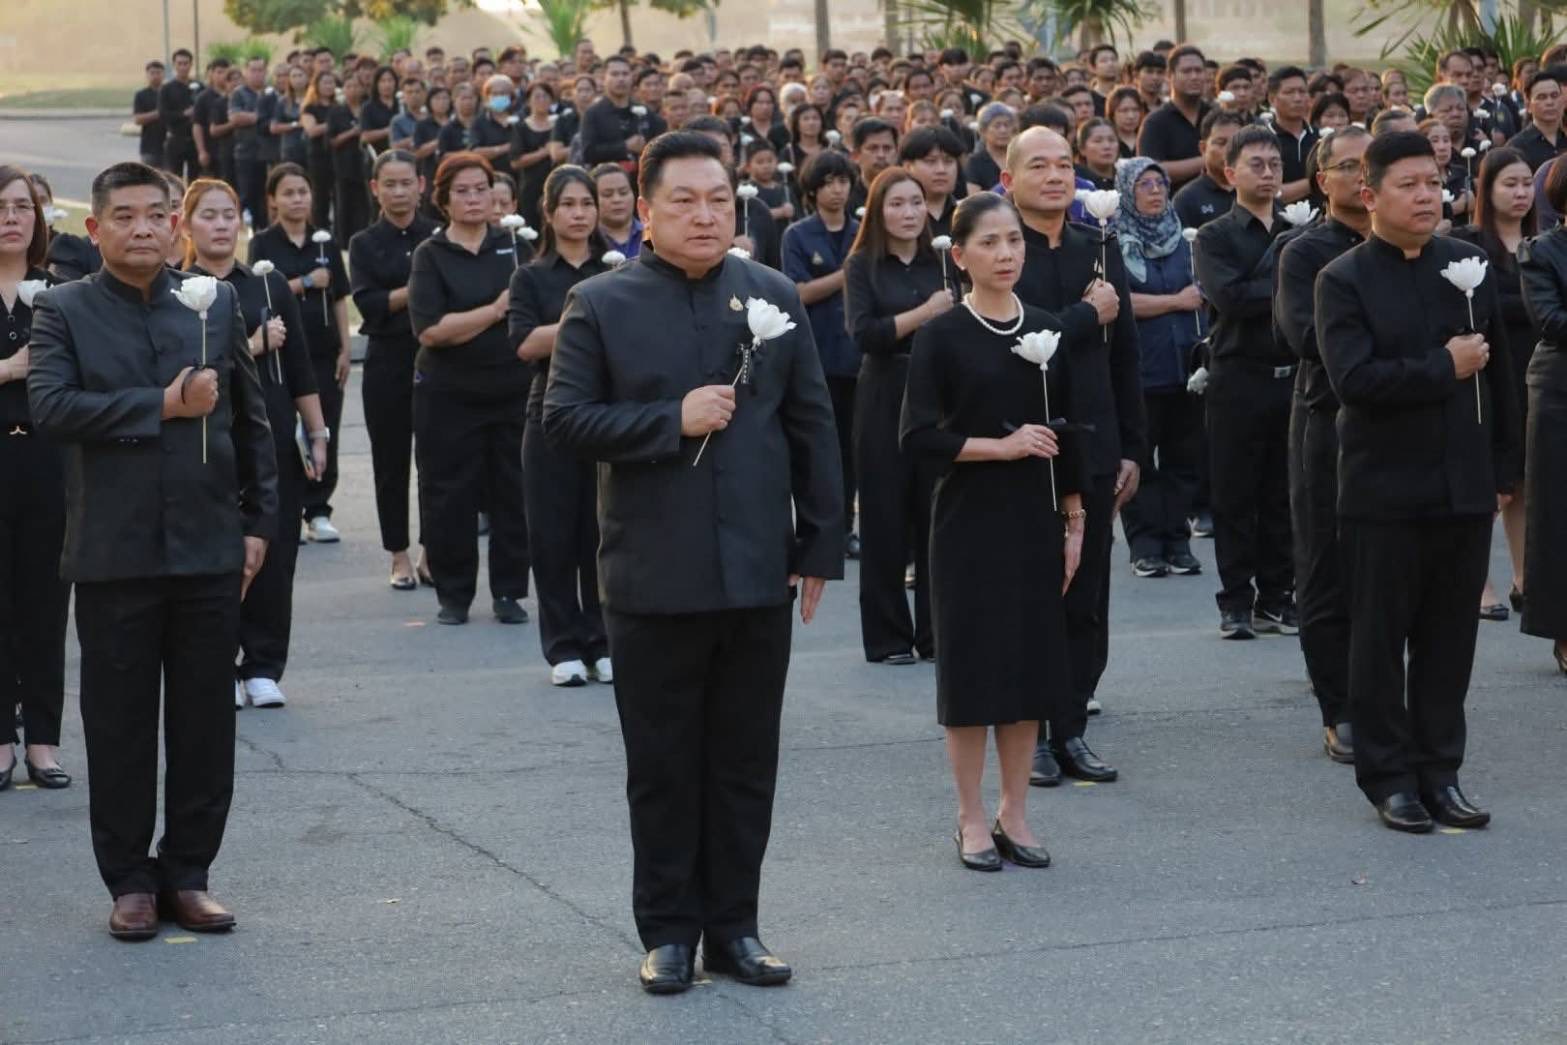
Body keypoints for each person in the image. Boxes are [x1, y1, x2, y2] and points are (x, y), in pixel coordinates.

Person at [544, 130, 842, 994]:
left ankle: (735, 926)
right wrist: (664, 419)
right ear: (643, 210)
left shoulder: (772, 293)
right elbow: (563, 421)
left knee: (746, 758)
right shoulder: (599, 303)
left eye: (718, 199)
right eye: (684, 200)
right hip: (651, 573)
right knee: (665, 763)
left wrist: (819, 539)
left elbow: (811, 423)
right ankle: (668, 929)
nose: (705, 214)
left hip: (756, 568)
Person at [27, 161, 277, 938]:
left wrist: (260, 522)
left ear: (176, 225)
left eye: (155, 215)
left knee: (205, 722)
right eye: (124, 216)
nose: (142, 227)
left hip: (208, 547)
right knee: (120, 722)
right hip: (114, 552)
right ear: (95, 228)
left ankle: (190, 872)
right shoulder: (62, 308)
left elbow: (248, 417)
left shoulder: (214, 302)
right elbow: (52, 407)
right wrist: (161, 406)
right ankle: (130, 879)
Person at [1315, 131, 1520, 833]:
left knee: (1447, 641)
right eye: (1407, 184)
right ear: (1369, 194)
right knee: (1378, 640)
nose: (1426, 195)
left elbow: (1498, 378)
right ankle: (1389, 777)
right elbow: (1355, 381)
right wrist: (1442, 364)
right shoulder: (1341, 279)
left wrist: (1502, 468)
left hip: (1462, 486)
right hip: (1383, 489)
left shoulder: (1466, 261)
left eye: (1432, 182)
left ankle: (1440, 770)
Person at [900, 191, 1084, 873]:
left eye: (1013, 241)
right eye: (990, 243)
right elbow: (917, 437)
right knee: (973, 673)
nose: (1005, 253)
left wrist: (1075, 517)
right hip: (966, 521)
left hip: (1035, 520)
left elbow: (1067, 430)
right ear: (960, 254)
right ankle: (970, 815)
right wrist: (997, 448)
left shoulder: (1044, 327)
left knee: (1029, 667)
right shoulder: (942, 333)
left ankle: (1014, 809)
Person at [1001, 126, 1143, 781]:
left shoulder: (1098, 249)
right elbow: (1015, 343)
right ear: (1009, 180)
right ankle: (1025, 732)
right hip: (1022, 444)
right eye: (1039, 165)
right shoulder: (1000, 255)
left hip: (1093, 439)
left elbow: (1126, 358)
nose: (1055, 176)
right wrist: (1085, 316)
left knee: (1085, 594)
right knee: (1031, 593)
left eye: (1064, 164)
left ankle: (1070, 728)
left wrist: (1131, 448)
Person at [181, 178, 327, 710]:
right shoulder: (177, 291)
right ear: (187, 224)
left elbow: (302, 367)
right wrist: (254, 342)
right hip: (205, 440)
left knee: (275, 549)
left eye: (228, 216)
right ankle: (217, 661)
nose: (220, 225)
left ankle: (264, 664)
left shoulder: (267, 286)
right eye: (208, 215)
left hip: (269, 441)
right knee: (216, 556)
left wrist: (316, 432)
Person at [1273, 126, 1372, 763]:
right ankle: (1340, 708)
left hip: (1402, 429)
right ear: (1322, 182)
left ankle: (1386, 697)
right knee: (1326, 569)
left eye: (1374, 164)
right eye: (1350, 165)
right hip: (1328, 424)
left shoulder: (1418, 250)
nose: (1364, 175)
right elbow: (1309, 340)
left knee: (1388, 573)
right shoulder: (1305, 254)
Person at [407, 152, 532, 627]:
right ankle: (454, 594)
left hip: (511, 389)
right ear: (443, 200)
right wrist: (497, 309)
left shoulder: (514, 246)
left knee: (513, 492)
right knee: (449, 494)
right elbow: (433, 330)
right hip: (448, 394)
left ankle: (509, 591)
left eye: (482, 188)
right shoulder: (431, 255)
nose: (474, 198)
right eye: (463, 191)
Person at [507, 166, 612, 685]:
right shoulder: (530, 276)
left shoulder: (616, 268)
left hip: (607, 417)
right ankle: (563, 647)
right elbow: (525, 344)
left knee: (601, 532)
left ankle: (601, 639)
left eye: (586, 204)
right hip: (548, 415)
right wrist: (590, 320)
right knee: (552, 537)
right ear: (548, 213)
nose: (579, 213)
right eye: (568, 204)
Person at [844, 167, 950, 663]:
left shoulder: (944, 261)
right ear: (878, 210)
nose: (908, 213)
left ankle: (936, 635)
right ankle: (887, 638)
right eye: (896, 204)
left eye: (915, 203)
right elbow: (866, 334)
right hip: (884, 389)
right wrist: (924, 314)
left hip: (936, 390)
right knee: (884, 514)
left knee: (937, 512)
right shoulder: (863, 264)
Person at [1193, 124, 1295, 640]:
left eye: (1275, 164)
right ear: (1229, 173)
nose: (1268, 172)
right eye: (1256, 164)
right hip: (1237, 374)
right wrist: (1281, 284)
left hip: (1289, 373)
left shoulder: (1297, 229)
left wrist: (1273, 290)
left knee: (1284, 491)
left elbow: (1307, 297)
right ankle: (1236, 599)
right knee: (1235, 493)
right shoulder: (1214, 236)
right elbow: (1230, 298)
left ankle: (1278, 596)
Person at [0, 167, 70, 792]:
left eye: (22, 206)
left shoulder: (58, 292)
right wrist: (8, 368)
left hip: (48, 463)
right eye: (0, 206)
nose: (12, 217)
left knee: (46, 608)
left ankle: (44, 742)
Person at [1453, 146, 1540, 621]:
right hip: (1486, 376)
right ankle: (1477, 580)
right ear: (1487, 190)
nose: (1521, 192)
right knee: (1491, 484)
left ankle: (1526, 579)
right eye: (1510, 183)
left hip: (1537, 374)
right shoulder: (1469, 248)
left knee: (1526, 484)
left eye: (1527, 183)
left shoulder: (1544, 242)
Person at [248, 164, 351, 544]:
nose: (297, 199)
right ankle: (284, 502)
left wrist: (344, 348)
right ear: (273, 200)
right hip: (281, 352)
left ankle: (319, 508)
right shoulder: (263, 243)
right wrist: (306, 282)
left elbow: (340, 298)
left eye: (303, 192)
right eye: (288, 193)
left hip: (324, 353)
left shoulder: (325, 242)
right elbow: (264, 292)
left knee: (325, 427)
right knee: (283, 428)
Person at [351, 151, 438, 591]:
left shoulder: (439, 236)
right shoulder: (365, 244)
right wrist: (421, 287)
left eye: (407, 182)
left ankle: (429, 552)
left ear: (421, 185)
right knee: (391, 462)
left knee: (436, 461)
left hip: (438, 360)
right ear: (375, 188)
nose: (399, 192)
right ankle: (398, 554)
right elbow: (369, 304)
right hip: (387, 359)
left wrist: (404, 294)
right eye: (390, 184)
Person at [1114, 157, 1203, 579]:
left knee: (1183, 459)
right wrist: (1174, 302)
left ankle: (1177, 541)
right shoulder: (1114, 240)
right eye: (1143, 185)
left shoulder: (1184, 238)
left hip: (1184, 365)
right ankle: (1145, 545)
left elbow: (1200, 292)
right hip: (1140, 367)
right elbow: (1119, 302)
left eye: (1159, 183)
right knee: (1140, 462)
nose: (1154, 191)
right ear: (1126, 193)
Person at [782, 150, 861, 555]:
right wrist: (846, 275)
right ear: (813, 189)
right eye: (828, 181)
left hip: (858, 357)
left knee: (852, 449)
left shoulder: (863, 229)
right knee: (815, 446)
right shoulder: (797, 234)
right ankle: (814, 527)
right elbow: (798, 293)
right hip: (815, 355)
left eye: (843, 180)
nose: (837, 188)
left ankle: (845, 526)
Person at [1518, 158, 1567, 675]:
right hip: (1559, 389)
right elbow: (1550, 320)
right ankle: (1563, 629)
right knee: (1558, 514)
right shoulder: (1541, 250)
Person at [1137, 44, 1211, 187]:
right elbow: (1151, 170)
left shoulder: (1216, 116)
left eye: (1199, 71)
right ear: (1170, 76)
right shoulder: (1156, 122)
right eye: (1186, 71)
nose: (1194, 76)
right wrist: (1208, 160)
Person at [1174, 109, 1242, 228]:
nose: (1230, 150)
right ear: (1203, 148)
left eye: (1236, 143)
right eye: (1221, 143)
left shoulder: (1255, 191)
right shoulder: (1187, 200)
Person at [326, 72, 373, 241]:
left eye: (356, 86)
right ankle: (343, 241)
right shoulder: (336, 111)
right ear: (343, 90)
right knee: (344, 204)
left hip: (366, 164)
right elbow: (331, 141)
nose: (353, 90)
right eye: (349, 86)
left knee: (365, 205)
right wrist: (352, 133)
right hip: (344, 165)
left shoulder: (368, 109)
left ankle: (362, 238)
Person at [899, 125, 964, 240]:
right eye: (931, 161)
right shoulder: (898, 216)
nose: (941, 170)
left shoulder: (967, 215)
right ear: (908, 167)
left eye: (948, 161)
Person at [580, 55, 645, 170]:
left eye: (625, 74)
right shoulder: (593, 113)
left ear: (632, 77)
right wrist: (625, 146)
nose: (621, 79)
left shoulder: (644, 111)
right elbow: (588, 153)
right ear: (604, 78)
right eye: (615, 74)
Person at [511, 81, 560, 228]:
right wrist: (544, 152)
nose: (542, 100)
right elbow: (516, 161)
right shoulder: (521, 127)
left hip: (557, 184)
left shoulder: (560, 123)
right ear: (528, 101)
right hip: (531, 188)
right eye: (537, 97)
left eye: (546, 96)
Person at [1267, 66, 1319, 203]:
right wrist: (1316, 182)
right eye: (1289, 92)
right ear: (1272, 99)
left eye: (1302, 92)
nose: (1297, 98)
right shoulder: (1263, 140)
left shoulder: (1321, 139)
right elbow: (1270, 193)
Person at [299, 70, 340, 229]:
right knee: (320, 197)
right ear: (316, 86)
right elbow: (312, 130)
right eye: (325, 83)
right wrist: (334, 124)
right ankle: (319, 230)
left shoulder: (338, 106)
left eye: (332, 83)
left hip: (337, 156)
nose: (329, 86)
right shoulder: (310, 108)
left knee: (339, 197)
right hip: (318, 157)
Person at [159, 49, 200, 181]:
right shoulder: (167, 89)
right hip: (176, 139)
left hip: (195, 141)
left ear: (191, 64)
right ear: (174, 65)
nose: (183, 67)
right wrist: (183, 114)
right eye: (180, 63)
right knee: (174, 179)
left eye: (186, 63)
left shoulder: (199, 87)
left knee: (195, 179)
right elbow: (163, 114)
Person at [965, 102, 1015, 194]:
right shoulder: (975, 162)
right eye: (997, 126)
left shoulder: (1018, 157)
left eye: (1007, 125)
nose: (1003, 130)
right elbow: (974, 198)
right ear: (983, 131)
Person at [133, 61, 167, 170]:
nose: (155, 76)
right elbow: (138, 119)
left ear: (163, 74)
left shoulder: (170, 92)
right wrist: (159, 113)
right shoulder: (141, 95)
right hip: (149, 147)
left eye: (158, 73)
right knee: (149, 179)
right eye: (152, 73)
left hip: (169, 146)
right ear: (147, 75)